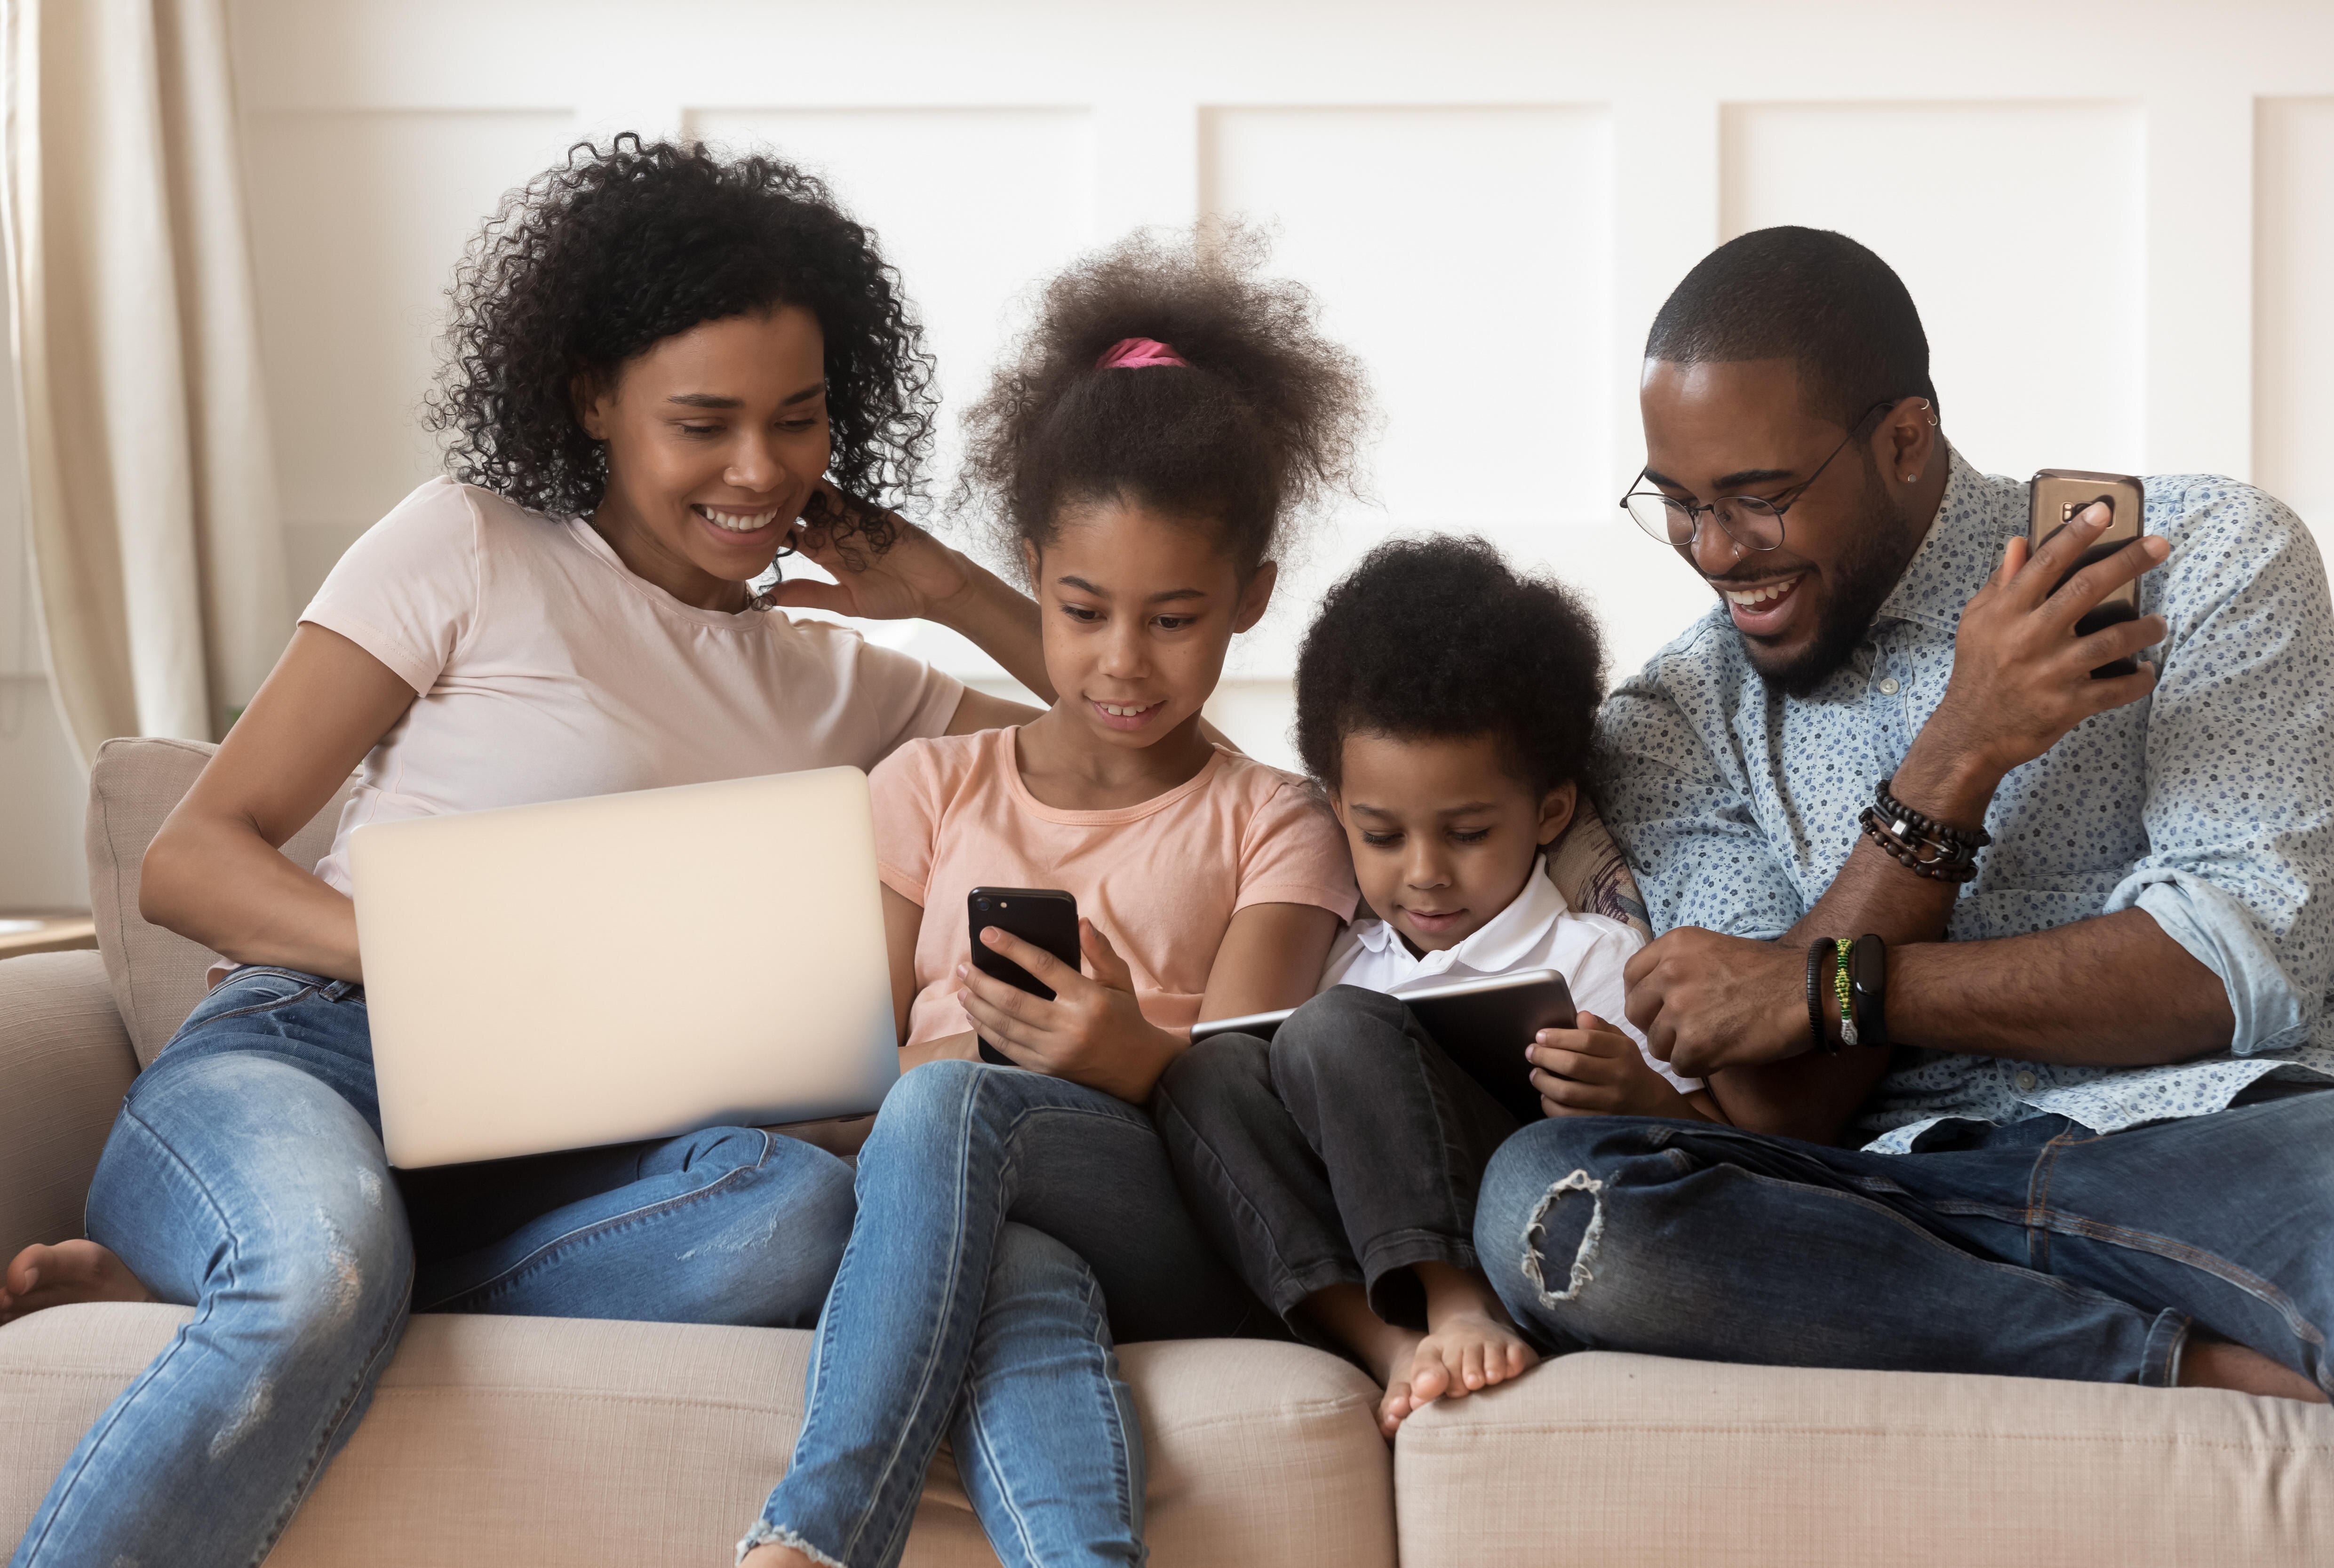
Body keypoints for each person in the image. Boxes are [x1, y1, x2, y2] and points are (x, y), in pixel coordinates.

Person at [0, 136, 1059, 1568]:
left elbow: (1160, 746)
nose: (761, 470)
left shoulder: (849, 683)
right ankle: (296, 1269)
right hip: (317, 1055)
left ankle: (260, 1277)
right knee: (317, 1265)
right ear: (591, 399)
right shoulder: (471, 545)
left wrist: (940, 587)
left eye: (799, 418)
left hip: (585, 1158)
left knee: (803, 1215)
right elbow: (193, 859)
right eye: (704, 422)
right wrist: (444, 957)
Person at [1475, 225, 2334, 1414]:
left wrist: (1830, 986)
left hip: (2221, 1141)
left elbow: (2243, 966)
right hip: (1885, 1200)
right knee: (1554, 1200)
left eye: (1759, 499)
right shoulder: (1674, 719)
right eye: (1678, 503)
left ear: (1903, 440)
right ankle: (2177, 1362)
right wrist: (1956, 753)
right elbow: (1783, 1100)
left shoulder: (2207, 561)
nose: (1718, 552)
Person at [741, 228, 1366, 1568]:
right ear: (1034, 572)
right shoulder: (926, 786)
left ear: (1251, 599)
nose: (1122, 660)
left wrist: (1128, 1053)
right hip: (968, 1195)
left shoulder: (1276, 821)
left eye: (1176, 617)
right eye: (1083, 610)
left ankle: (819, 1534)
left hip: (1187, 1221)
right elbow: (830, 1071)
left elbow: (1257, 1116)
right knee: (1008, 1247)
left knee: (956, 1101)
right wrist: (933, 1078)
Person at [1156, 536, 1715, 1438]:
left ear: (1550, 812)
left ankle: (1460, 1305)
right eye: (1381, 835)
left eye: (1465, 833)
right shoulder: (1342, 953)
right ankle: (1389, 1346)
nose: (1424, 875)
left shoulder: (1594, 957)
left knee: (1335, 1029)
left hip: (1521, 1237)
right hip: (1366, 1260)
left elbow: (1722, 1168)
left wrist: (1642, 1094)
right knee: (1207, 1072)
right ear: (1337, 809)